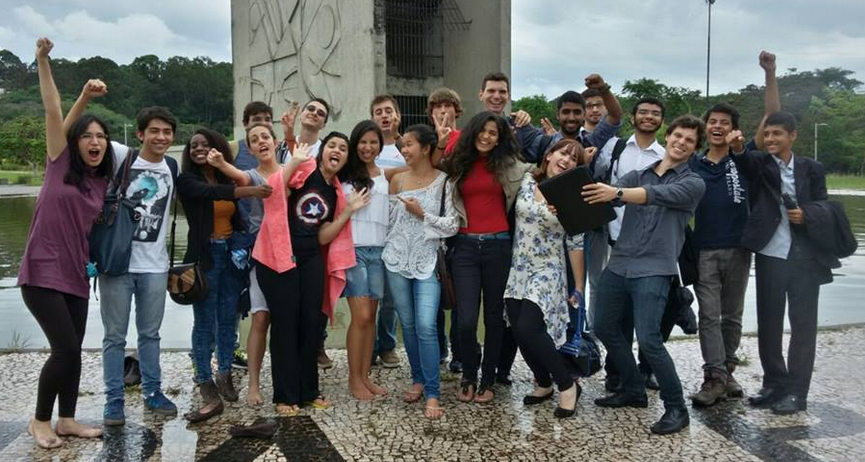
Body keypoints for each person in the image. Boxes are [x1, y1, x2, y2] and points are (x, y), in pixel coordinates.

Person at [17, 38, 114, 449]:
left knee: (74, 351)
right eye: (87, 136)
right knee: (66, 348)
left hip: (76, 273)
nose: (95, 142)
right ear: (75, 142)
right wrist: (43, 61)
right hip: (42, 270)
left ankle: (68, 419)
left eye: (101, 137)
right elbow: (54, 112)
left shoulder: (101, 182)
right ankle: (40, 420)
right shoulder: (59, 164)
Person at [584, 115, 707, 435]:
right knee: (603, 326)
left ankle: (677, 409)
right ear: (669, 136)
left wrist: (617, 193)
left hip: (654, 269)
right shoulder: (638, 174)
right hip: (619, 263)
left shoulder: (693, 183)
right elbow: (604, 196)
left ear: (695, 148)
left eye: (689, 140)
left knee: (650, 339)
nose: (681, 142)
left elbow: (651, 195)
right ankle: (633, 388)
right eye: (678, 136)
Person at [252, 132, 367, 416]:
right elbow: (275, 190)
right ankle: (284, 396)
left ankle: (308, 392)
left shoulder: (335, 191)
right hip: (278, 258)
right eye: (332, 146)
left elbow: (323, 236)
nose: (336, 151)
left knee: (311, 323)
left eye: (343, 148)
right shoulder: (304, 171)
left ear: (346, 158)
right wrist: (293, 162)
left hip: (310, 257)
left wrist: (348, 211)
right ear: (322, 151)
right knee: (285, 325)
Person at [732, 111, 832, 415]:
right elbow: (743, 160)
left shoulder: (812, 168)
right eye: (767, 134)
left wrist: (807, 215)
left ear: (793, 136)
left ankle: (798, 392)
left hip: (805, 258)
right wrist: (738, 147)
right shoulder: (760, 164)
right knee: (769, 323)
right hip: (770, 255)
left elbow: (824, 205)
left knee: (804, 327)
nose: (770, 139)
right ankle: (774, 383)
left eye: (777, 133)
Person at [177, 128, 273, 422]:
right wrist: (251, 190)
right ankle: (204, 380)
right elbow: (211, 194)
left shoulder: (225, 178)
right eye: (194, 145)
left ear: (217, 148)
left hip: (232, 256)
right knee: (204, 322)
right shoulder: (187, 180)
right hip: (204, 259)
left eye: (205, 144)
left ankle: (225, 373)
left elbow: (239, 215)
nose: (199, 149)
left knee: (228, 319)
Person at [93, 105, 180, 426]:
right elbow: (83, 138)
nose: (161, 137)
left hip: (155, 266)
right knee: (114, 336)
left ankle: (153, 391)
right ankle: (114, 399)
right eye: (154, 131)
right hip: (117, 263)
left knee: (150, 334)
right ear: (140, 133)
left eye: (167, 132)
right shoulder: (121, 156)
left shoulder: (172, 166)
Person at [441, 111, 530, 403]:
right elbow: (432, 169)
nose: (487, 137)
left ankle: (488, 377)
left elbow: (539, 171)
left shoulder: (510, 165)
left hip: (498, 247)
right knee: (465, 320)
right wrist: (441, 143)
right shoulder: (459, 162)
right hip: (465, 247)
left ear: (500, 138)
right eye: (483, 131)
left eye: (493, 133)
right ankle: (469, 372)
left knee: (494, 319)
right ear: (474, 131)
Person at [590, 96, 668, 391]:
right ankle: (617, 370)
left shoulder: (665, 155)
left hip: (650, 245)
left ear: (661, 120)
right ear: (633, 117)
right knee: (615, 312)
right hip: (614, 239)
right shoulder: (615, 147)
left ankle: (647, 369)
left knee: (648, 313)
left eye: (655, 113)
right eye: (643, 112)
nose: (649, 117)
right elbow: (594, 175)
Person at [505, 139, 587, 419]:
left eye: (574, 159)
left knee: (529, 327)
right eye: (563, 153)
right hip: (518, 268)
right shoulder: (527, 180)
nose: (566, 160)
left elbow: (576, 244)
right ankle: (543, 382)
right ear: (549, 155)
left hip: (548, 269)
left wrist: (579, 286)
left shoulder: (572, 196)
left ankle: (567, 384)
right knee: (518, 330)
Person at [383, 124, 459, 419]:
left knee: (426, 325)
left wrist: (422, 214)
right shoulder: (397, 180)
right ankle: (417, 379)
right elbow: (390, 222)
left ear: (427, 148)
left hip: (428, 261)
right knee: (408, 324)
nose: (404, 150)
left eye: (409, 144)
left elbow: (452, 225)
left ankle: (433, 393)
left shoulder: (444, 182)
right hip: (396, 260)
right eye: (402, 146)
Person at [208, 123, 283, 406]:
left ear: (275, 142)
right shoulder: (251, 175)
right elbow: (237, 176)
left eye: (265, 136)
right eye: (254, 139)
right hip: (259, 254)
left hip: (288, 254)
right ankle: (253, 384)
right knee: (261, 317)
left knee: (287, 319)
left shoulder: (289, 170)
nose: (261, 141)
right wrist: (220, 163)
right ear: (250, 149)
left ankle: (288, 381)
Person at [688, 103, 751, 407]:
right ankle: (713, 377)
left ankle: (727, 370)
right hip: (704, 249)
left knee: (733, 315)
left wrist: (770, 76)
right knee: (709, 314)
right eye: (712, 121)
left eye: (724, 122)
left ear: (734, 129)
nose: (717, 126)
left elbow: (771, 115)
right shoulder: (693, 164)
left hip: (739, 248)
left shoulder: (743, 160)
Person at [340, 120, 400, 399]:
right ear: (355, 144)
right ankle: (354, 379)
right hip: (353, 250)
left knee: (371, 318)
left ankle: (365, 376)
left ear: (380, 145)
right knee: (361, 316)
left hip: (379, 251)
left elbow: (419, 165)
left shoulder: (386, 175)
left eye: (373, 142)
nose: (368, 147)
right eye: (363, 142)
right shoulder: (344, 175)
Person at [369, 95, 404, 369]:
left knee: (390, 298)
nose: (384, 115)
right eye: (378, 112)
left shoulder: (406, 147)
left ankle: (388, 345)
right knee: (370, 296)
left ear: (397, 116)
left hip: (397, 231)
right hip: (370, 230)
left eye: (388, 111)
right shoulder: (367, 148)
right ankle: (367, 347)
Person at [515, 74, 624, 162]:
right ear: (558, 115)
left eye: (577, 112)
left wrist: (603, 88)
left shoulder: (591, 143)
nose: (571, 118)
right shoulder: (543, 143)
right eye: (566, 112)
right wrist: (520, 117)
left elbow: (615, 116)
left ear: (584, 115)